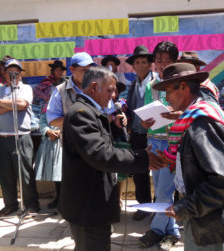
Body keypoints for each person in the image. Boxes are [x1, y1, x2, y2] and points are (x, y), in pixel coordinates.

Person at [58, 66, 165, 251]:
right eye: (110, 89)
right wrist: (142, 158)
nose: (114, 95)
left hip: (94, 202)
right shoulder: (80, 114)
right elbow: (101, 154)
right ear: (93, 87)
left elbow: (101, 143)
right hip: (87, 205)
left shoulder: (91, 111)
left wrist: (114, 128)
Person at [153, 63, 224, 251]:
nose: (166, 98)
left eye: (168, 90)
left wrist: (186, 207)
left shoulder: (202, 122)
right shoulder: (194, 117)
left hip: (208, 217)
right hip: (201, 213)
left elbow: (223, 179)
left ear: (184, 86)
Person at [139, 41, 181, 249]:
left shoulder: (181, 84)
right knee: (160, 188)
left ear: (176, 61)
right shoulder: (150, 84)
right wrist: (144, 123)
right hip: (153, 141)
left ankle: (156, 230)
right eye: (159, 60)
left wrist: (173, 115)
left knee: (165, 190)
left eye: (167, 61)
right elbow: (147, 113)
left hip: (171, 142)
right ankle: (171, 231)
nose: (162, 65)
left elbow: (186, 114)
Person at [0, 59, 39, 216]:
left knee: (25, 173)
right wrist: (11, 105)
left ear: (21, 74)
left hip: (21, 137)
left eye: (16, 71)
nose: (12, 73)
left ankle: (31, 204)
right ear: (4, 74)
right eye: (9, 70)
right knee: (5, 173)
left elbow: (22, 104)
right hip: (2, 138)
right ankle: (10, 204)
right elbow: (16, 105)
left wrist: (3, 104)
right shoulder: (1, 90)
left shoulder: (26, 88)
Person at [126, 45, 157, 221]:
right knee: (139, 171)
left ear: (150, 64)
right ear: (133, 66)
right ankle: (143, 206)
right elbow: (130, 108)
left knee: (159, 172)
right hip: (137, 134)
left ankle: (158, 208)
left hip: (154, 135)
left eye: (144, 62)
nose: (141, 65)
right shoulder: (133, 85)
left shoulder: (157, 84)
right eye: (137, 62)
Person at [33, 60, 67, 209]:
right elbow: (42, 121)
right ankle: (59, 199)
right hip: (51, 142)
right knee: (56, 173)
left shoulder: (67, 105)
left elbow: (72, 119)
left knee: (66, 173)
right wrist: (48, 131)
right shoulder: (46, 105)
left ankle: (66, 200)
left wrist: (60, 132)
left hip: (64, 141)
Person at [46, 52, 96, 128]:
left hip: (96, 138)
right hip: (72, 138)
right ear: (72, 69)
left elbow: (108, 114)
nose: (88, 73)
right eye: (83, 70)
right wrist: (78, 121)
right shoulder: (60, 91)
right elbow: (52, 119)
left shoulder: (99, 88)